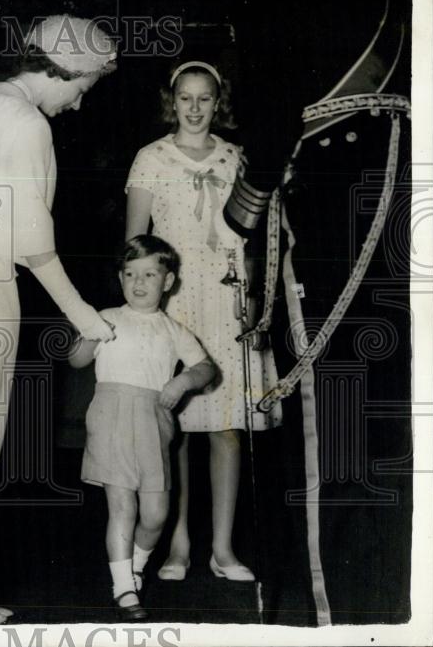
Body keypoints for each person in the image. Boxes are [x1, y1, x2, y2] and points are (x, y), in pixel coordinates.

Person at [205, 0, 412, 624]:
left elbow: (267, 127)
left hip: (323, 226)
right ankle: (392, 589)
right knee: (387, 403)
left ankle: (326, 604)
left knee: (325, 407)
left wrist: (239, 216)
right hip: (397, 218)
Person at [0, 14, 118, 472]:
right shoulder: (28, 122)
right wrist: (83, 316)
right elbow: (33, 243)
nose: (77, 105)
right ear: (67, 72)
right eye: (82, 90)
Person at [125, 60, 282, 583]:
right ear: (174, 102)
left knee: (228, 428)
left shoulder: (238, 157)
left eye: (205, 99)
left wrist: (256, 294)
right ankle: (178, 543)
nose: (195, 108)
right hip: (176, 307)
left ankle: (223, 548)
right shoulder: (150, 159)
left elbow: (255, 240)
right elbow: (135, 248)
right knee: (177, 432)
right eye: (186, 98)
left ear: (219, 103)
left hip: (228, 302)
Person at [70, 235, 216, 621]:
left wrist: (182, 382)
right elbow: (77, 360)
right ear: (120, 278)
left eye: (150, 274)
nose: (139, 282)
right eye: (130, 273)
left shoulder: (173, 330)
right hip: (112, 416)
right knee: (123, 506)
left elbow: (205, 369)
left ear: (167, 281)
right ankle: (123, 589)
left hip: (155, 422)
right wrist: (89, 332)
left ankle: (133, 569)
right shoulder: (108, 318)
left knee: (155, 515)